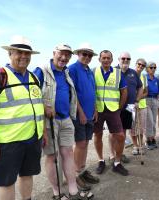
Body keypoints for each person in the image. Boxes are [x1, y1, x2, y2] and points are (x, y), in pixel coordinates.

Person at [0, 35, 46, 200]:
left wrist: (43, 134)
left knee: (27, 176)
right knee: (6, 182)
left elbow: (38, 107)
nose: (23, 56)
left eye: (27, 53)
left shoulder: (34, 78)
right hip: (8, 143)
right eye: (19, 52)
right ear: (10, 53)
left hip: (32, 139)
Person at [33, 44, 93, 200]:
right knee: (52, 156)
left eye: (67, 55)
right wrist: (43, 108)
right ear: (54, 53)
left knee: (68, 153)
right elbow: (31, 96)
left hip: (66, 118)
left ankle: (73, 190)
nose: (64, 58)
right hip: (49, 121)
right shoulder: (41, 71)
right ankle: (57, 193)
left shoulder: (66, 72)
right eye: (61, 54)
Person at [68, 43, 99, 189]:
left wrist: (95, 109)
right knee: (80, 144)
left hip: (90, 113)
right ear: (78, 54)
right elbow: (72, 93)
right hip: (79, 114)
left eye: (89, 55)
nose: (87, 57)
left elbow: (92, 91)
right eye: (84, 54)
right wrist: (80, 112)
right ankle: (75, 175)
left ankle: (82, 170)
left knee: (86, 143)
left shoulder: (89, 71)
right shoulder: (73, 69)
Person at [93, 50, 128, 176]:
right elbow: (91, 90)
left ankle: (117, 163)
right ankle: (101, 160)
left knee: (120, 136)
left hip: (113, 110)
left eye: (108, 58)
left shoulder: (118, 73)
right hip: (98, 109)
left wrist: (119, 108)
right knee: (97, 135)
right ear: (99, 59)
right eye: (104, 58)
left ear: (112, 60)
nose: (106, 60)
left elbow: (124, 92)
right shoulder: (93, 72)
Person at [115, 52, 143, 161]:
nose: (125, 60)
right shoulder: (113, 71)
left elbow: (140, 87)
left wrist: (137, 100)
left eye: (128, 58)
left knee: (123, 132)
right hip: (115, 108)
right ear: (119, 59)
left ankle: (120, 154)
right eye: (123, 58)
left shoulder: (133, 73)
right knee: (114, 133)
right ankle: (113, 155)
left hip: (129, 108)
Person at [130, 58, 147, 155]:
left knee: (141, 128)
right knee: (133, 127)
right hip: (132, 106)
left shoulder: (144, 77)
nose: (140, 66)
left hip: (142, 105)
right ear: (136, 64)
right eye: (139, 64)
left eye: (143, 65)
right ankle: (135, 145)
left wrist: (138, 97)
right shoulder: (130, 75)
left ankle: (140, 145)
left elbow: (146, 92)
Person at [146, 62, 159, 150]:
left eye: (154, 67)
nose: (153, 69)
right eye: (151, 67)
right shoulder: (144, 78)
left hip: (155, 100)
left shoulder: (156, 79)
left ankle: (153, 137)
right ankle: (148, 139)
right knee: (149, 120)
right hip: (146, 100)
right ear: (147, 69)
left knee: (154, 120)